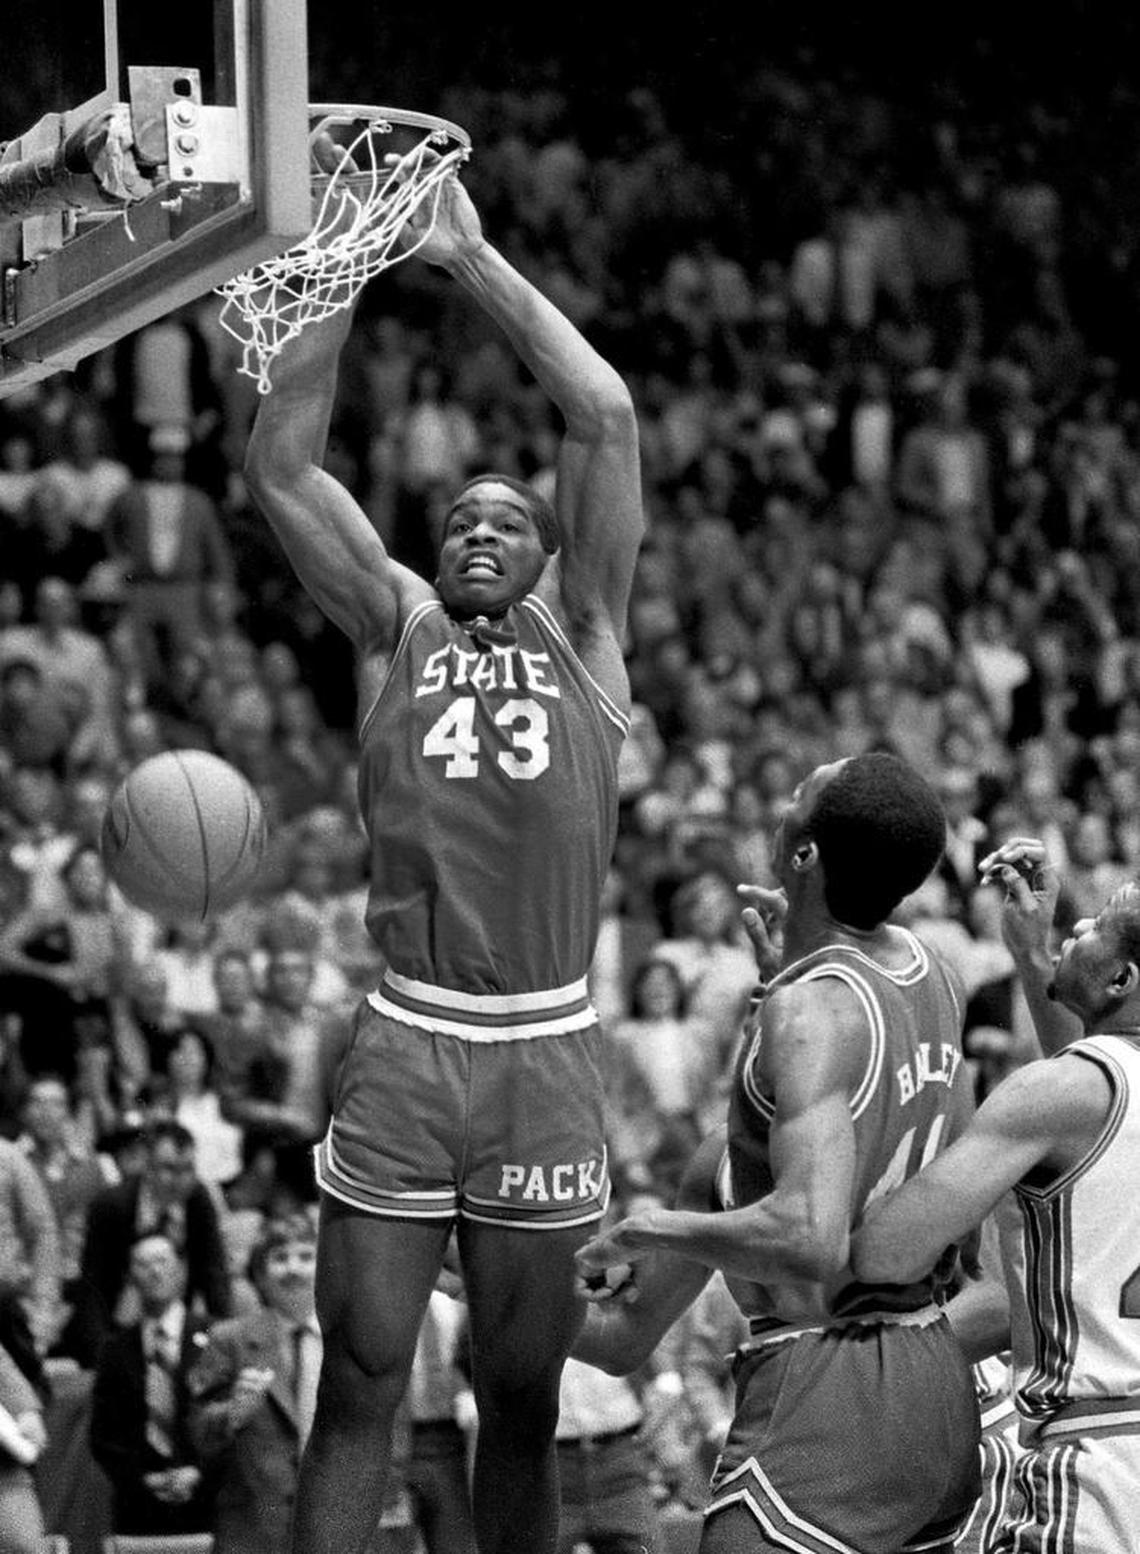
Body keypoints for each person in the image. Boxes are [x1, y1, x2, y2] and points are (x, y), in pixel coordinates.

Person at [241, 155, 643, 1554]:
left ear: (548, 555)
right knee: (356, 1384)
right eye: (460, 517)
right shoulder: (393, 628)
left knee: (519, 1403)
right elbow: (282, 468)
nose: (478, 527)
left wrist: (467, 258)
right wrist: (341, 262)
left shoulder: (586, 637)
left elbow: (603, 413)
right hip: (409, 1040)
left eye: (507, 519)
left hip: (543, 1049)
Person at [574, 751, 982, 1553]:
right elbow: (621, 1339)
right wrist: (493, 1286)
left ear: (804, 854)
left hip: (825, 1387)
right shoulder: (930, 972)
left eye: (797, 794)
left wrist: (648, 1227)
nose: (785, 800)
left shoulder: (810, 1015)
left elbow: (808, 1236)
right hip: (934, 1376)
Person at [852, 836, 1140, 1553]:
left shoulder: (1056, 1093)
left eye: (1098, 925)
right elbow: (1099, 1095)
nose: (1079, 923)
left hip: (1098, 1464)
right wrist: (1034, 953)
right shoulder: (1087, 1091)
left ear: (1121, 978)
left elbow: (886, 1254)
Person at [187, 1213, 323, 1554]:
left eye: (306, 1256)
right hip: (254, 1529)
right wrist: (233, 1413)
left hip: (335, 1520)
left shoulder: (348, 1338)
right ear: (260, 1275)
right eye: (280, 1258)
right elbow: (197, 1431)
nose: (293, 1268)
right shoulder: (228, 1339)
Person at [73, 1117, 233, 1365]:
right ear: (148, 1167)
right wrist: (101, 1356)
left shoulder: (198, 1200)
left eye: (188, 1169)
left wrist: (226, 1344)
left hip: (176, 1324)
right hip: (120, 1320)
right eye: (169, 1168)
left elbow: (214, 1275)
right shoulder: (111, 1205)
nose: (180, 1180)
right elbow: (93, 1288)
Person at [89, 1231, 216, 1536]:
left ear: (181, 1269)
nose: (155, 1271)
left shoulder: (217, 1336)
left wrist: (199, 1472)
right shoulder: (115, 1349)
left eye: (162, 1261)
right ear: (130, 1276)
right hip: (138, 1505)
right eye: (143, 1264)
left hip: (209, 1501)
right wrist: (142, 1479)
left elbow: (231, 1423)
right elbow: (103, 1435)